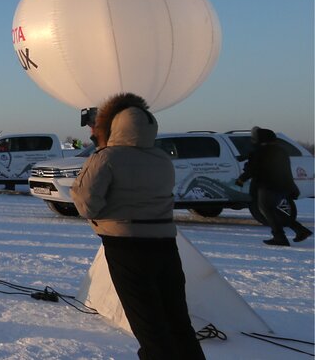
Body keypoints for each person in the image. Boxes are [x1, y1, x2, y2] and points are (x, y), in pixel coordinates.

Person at [72, 93, 205, 360]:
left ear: (112, 127)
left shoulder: (106, 157)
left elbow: (86, 204)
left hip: (126, 248)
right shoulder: (161, 159)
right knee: (178, 322)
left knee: (149, 327)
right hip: (166, 245)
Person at [236, 126, 312, 246]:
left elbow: (254, 169)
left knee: (266, 210)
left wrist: (241, 179)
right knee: (275, 210)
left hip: (267, 185)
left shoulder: (260, 152)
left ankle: (280, 237)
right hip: (282, 185)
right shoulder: (280, 150)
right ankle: (300, 230)